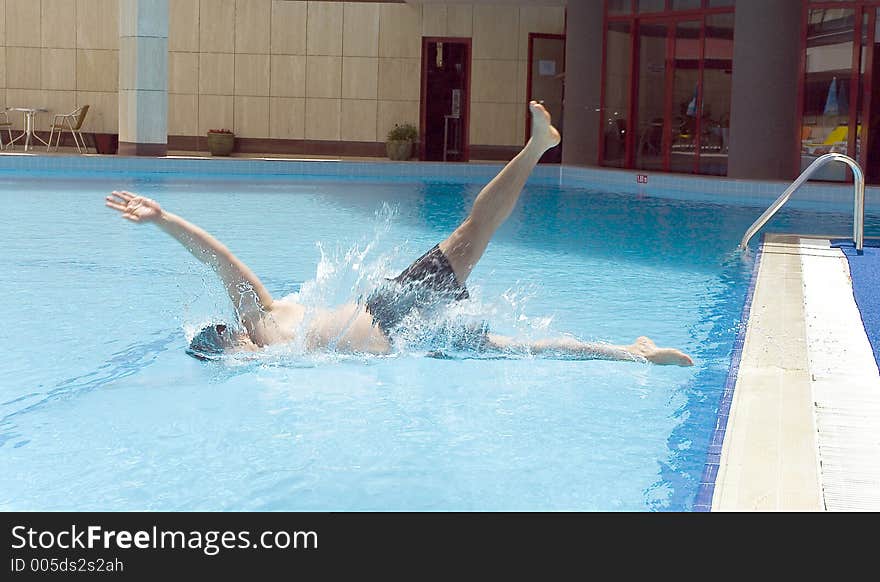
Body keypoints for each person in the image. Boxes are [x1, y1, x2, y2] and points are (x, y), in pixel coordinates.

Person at [105, 102, 693, 367]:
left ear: (231, 332)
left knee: (471, 234)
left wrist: (163, 221)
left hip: (390, 309)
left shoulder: (263, 320)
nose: (231, 343)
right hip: (412, 344)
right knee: (516, 350)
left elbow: (221, 261)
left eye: (224, 338)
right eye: (223, 346)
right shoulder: (267, 364)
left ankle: (538, 146)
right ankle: (629, 352)